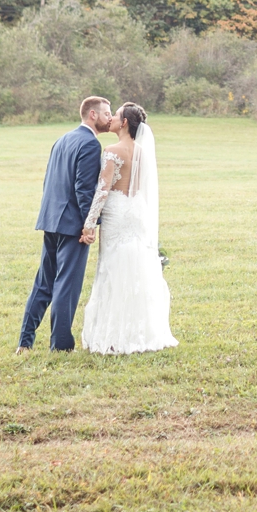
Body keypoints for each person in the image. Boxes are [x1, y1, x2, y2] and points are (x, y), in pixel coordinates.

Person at [16, 96, 117, 353]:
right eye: (106, 113)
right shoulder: (90, 145)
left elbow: (49, 181)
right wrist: (89, 224)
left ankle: (24, 342)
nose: (110, 117)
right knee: (66, 286)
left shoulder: (62, 139)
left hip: (50, 220)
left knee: (44, 282)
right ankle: (60, 345)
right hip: (72, 225)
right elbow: (84, 190)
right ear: (92, 115)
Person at [80, 102, 178, 354]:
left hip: (116, 214)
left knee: (112, 267)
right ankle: (141, 331)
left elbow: (102, 190)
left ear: (124, 123)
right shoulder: (143, 152)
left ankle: (114, 335)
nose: (111, 118)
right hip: (137, 213)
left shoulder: (112, 150)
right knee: (136, 267)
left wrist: (89, 225)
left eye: (116, 116)